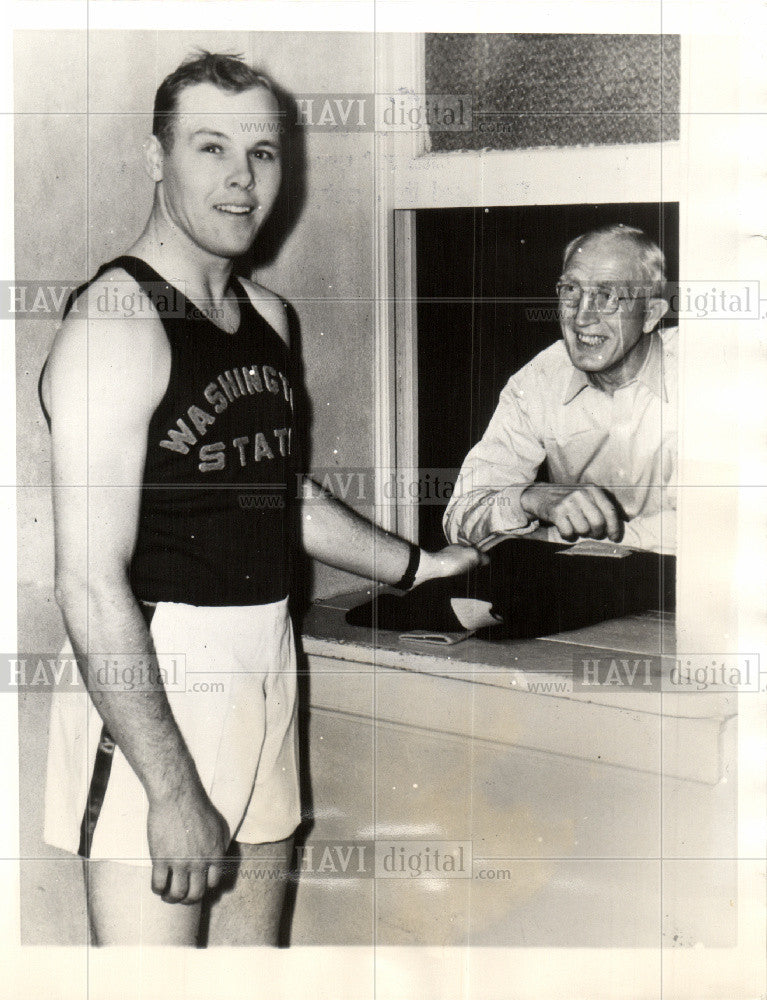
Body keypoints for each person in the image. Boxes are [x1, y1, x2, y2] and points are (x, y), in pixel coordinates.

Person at [39, 52, 482, 947]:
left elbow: (278, 491)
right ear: (157, 158)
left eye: (264, 154)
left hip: (266, 655)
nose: (241, 179)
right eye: (211, 148)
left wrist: (418, 565)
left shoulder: (272, 317)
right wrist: (168, 789)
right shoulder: (116, 324)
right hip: (159, 675)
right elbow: (87, 582)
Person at [443, 224, 676, 556]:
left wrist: (550, 541)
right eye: (571, 290)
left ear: (650, 314)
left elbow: (711, 526)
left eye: (608, 295)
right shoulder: (537, 381)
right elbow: (461, 515)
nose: (581, 317)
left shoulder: (705, 373)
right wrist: (527, 499)